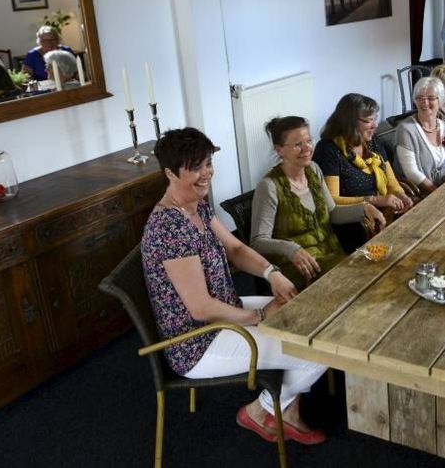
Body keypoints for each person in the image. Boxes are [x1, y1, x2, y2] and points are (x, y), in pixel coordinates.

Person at [140, 128, 329, 445]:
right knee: (318, 350)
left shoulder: (195, 205)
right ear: (170, 173)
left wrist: (272, 273)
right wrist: (260, 317)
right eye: (195, 167)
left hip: (228, 314)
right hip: (199, 342)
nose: (206, 174)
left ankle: (285, 408)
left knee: (311, 317)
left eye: (208, 163)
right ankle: (262, 410)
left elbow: (236, 249)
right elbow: (201, 308)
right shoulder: (169, 228)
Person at [251, 116, 386, 288]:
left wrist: (365, 208)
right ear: (279, 150)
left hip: (332, 256)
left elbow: (333, 212)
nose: (307, 148)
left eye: (308, 141)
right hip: (300, 269)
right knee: (365, 281)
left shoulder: (313, 169)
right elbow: (258, 242)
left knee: (378, 271)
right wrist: (291, 249)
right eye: (298, 144)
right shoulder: (269, 187)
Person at [312, 93, 413, 252]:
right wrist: (374, 200)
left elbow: (391, 180)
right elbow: (331, 200)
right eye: (368, 121)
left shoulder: (372, 142)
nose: (375, 125)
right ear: (349, 123)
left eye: (375, 119)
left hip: (382, 213)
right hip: (353, 223)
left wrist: (401, 195)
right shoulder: (328, 150)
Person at [395, 77, 445, 194]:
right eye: (420, 98)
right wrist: (438, 194)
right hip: (419, 195)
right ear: (415, 100)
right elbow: (412, 173)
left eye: (431, 98)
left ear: (440, 101)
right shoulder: (406, 130)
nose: (425, 102)